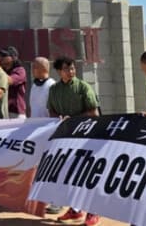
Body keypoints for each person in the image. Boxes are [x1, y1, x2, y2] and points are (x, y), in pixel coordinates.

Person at [47, 57, 101, 226]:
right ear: (58, 71)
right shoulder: (54, 89)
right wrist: (60, 118)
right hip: (66, 138)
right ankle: (75, 210)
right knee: (70, 175)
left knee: (87, 174)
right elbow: (52, 111)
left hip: (86, 137)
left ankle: (93, 212)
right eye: (66, 69)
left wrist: (74, 119)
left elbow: (94, 113)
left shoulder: (83, 87)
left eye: (72, 68)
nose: (70, 72)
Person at [0, 46, 27, 119]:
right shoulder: (3, 70)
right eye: (1, 56)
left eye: (5, 56)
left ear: (13, 57)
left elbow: (10, 80)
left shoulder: (20, 70)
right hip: (4, 111)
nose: (2, 58)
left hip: (16, 112)